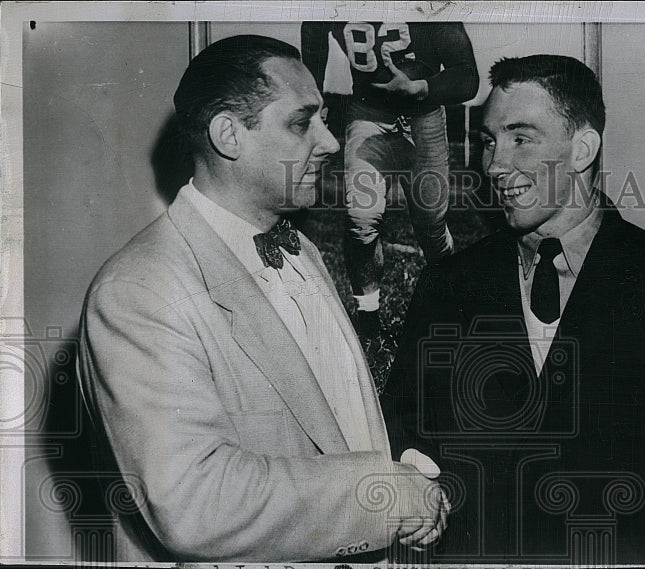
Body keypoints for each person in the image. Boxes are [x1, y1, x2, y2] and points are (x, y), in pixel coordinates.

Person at [77, 35, 448, 562]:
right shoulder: (138, 291)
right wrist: (387, 493)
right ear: (229, 134)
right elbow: (194, 505)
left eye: (322, 119)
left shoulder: (301, 248)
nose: (331, 142)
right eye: (302, 123)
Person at [381, 54, 645, 564]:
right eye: (490, 141)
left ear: (582, 149)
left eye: (521, 138)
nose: (494, 165)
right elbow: (402, 434)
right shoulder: (447, 285)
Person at [301, 21, 479, 346]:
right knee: (361, 217)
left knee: (431, 225)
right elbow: (313, 31)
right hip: (368, 113)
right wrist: (311, 101)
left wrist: (422, 87)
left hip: (423, 114)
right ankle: (368, 318)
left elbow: (468, 77)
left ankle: (451, 303)